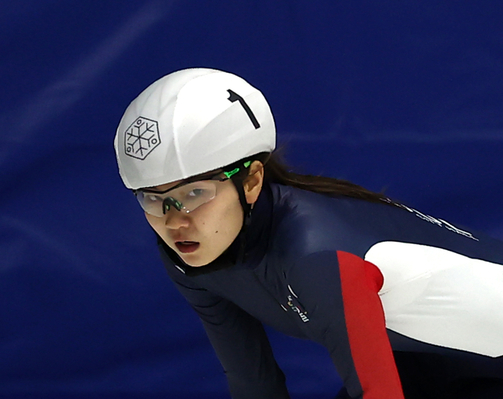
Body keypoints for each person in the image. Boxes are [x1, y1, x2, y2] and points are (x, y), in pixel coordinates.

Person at [114, 68, 503, 399]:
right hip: (430, 361)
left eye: (194, 193)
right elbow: (253, 381)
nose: (175, 221)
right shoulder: (191, 254)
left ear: (251, 181)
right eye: (153, 198)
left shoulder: (317, 257)